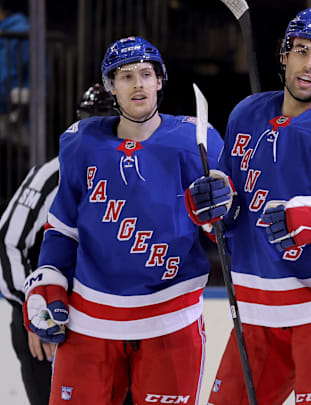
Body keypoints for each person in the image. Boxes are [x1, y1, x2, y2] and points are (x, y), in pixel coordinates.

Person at [184, 8, 311, 405]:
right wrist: (211, 204)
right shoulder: (246, 114)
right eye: (302, 50)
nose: (308, 65)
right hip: (257, 313)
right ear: (284, 54)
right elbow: (231, 207)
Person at [21, 36, 223, 404]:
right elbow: (62, 228)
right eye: (126, 76)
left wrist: (224, 210)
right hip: (89, 323)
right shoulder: (81, 143)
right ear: (111, 87)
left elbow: (223, 231)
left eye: (146, 74)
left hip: (171, 321)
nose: (138, 84)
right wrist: (47, 278)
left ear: (160, 81)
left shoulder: (195, 141)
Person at [0, 83, 120, 405]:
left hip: (114, 321)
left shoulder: (137, 174)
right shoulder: (49, 176)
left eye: (106, 122)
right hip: (47, 320)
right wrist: (35, 309)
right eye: (89, 121)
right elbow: (7, 244)